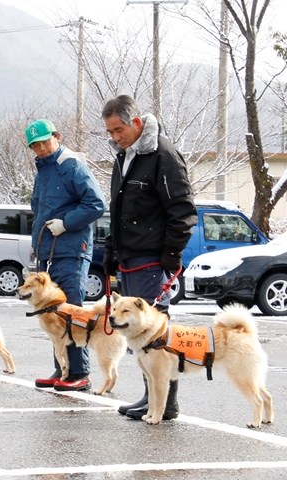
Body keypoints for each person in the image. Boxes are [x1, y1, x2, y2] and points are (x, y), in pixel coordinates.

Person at [101, 94, 197, 420]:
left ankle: (165, 403)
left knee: (155, 335)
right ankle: (151, 397)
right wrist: (111, 251)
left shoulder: (162, 155)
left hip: (153, 259)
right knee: (139, 337)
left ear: (137, 122)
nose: (115, 137)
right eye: (110, 132)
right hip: (129, 258)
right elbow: (117, 212)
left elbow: (182, 208)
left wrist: (172, 252)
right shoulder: (123, 157)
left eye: (119, 129)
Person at [26, 119, 106, 392]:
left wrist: (67, 223)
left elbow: (96, 203)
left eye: (45, 142)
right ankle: (63, 368)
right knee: (52, 311)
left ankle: (80, 371)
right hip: (49, 252)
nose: (41, 149)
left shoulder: (71, 165)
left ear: (57, 137)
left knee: (70, 309)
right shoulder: (43, 170)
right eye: (35, 145)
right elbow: (39, 211)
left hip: (72, 250)